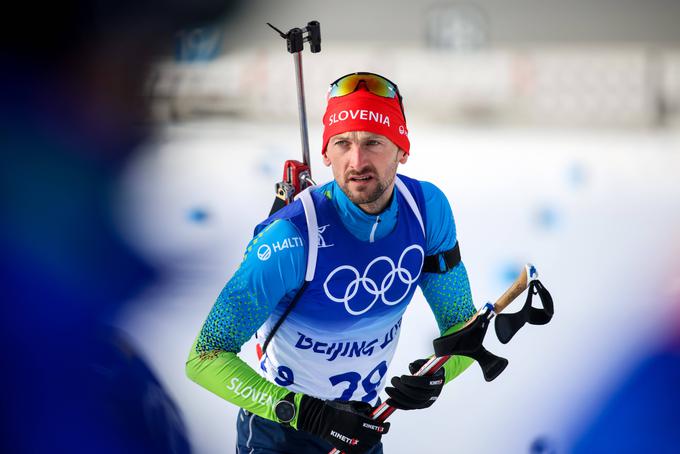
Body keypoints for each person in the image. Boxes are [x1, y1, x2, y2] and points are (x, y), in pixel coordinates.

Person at [186, 72, 477, 454]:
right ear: (326, 154)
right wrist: (307, 415)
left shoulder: (427, 211)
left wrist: (436, 375)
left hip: (363, 424)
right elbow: (205, 357)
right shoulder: (289, 239)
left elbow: (464, 329)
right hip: (279, 429)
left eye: (373, 142)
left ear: (402, 149)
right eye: (343, 143)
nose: (357, 161)